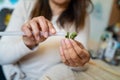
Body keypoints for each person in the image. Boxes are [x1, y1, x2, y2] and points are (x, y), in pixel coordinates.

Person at [0, 0, 92, 80]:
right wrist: (27, 43)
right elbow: (1, 56)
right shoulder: (27, 3)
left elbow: (81, 65)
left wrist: (80, 61)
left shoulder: (82, 16)